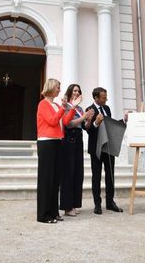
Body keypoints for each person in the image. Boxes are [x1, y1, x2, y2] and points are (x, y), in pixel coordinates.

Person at [36, 78, 80, 224]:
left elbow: (65, 122)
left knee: (55, 180)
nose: (60, 90)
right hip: (46, 143)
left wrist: (72, 107)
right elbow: (53, 121)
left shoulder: (55, 104)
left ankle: (54, 212)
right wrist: (63, 107)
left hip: (57, 142)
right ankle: (44, 215)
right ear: (50, 88)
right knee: (46, 180)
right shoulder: (43, 104)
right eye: (57, 87)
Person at [85, 87, 124, 214]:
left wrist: (124, 120)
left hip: (108, 147)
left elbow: (110, 125)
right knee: (96, 177)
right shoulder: (89, 110)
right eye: (103, 97)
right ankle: (97, 204)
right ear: (96, 98)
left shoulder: (107, 109)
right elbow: (88, 131)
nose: (106, 99)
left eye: (106, 96)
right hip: (96, 148)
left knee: (110, 175)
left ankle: (110, 202)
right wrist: (95, 123)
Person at [60, 84, 95, 217]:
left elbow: (84, 127)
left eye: (78, 91)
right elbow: (68, 124)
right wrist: (83, 117)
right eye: (74, 90)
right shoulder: (66, 106)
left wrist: (89, 120)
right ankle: (67, 207)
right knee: (68, 173)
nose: (76, 92)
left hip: (78, 140)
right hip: (69, 140)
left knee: (77, 173)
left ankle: (74, 204)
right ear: (69, 93)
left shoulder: (80, 108)